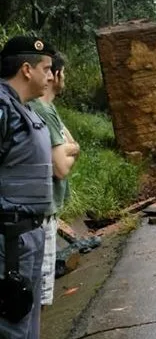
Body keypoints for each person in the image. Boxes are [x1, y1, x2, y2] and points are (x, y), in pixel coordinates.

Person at [0, 35, 55, 339]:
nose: (50, 75)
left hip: (28, 237)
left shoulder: (26, 109)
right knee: (11, 328)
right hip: (8, 243)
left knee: (26, 325)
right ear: (26, 69)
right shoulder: (3, 107)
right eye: (46, 68)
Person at [28, 52, 80, 309]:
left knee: (40, 293)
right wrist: (68, 151)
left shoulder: (50, 109)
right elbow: (60, 167)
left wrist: (68, 150)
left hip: (49, 209)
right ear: (55, 74)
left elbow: (72, 146)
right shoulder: (39, 110)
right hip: (41, 212)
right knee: (38, 296)